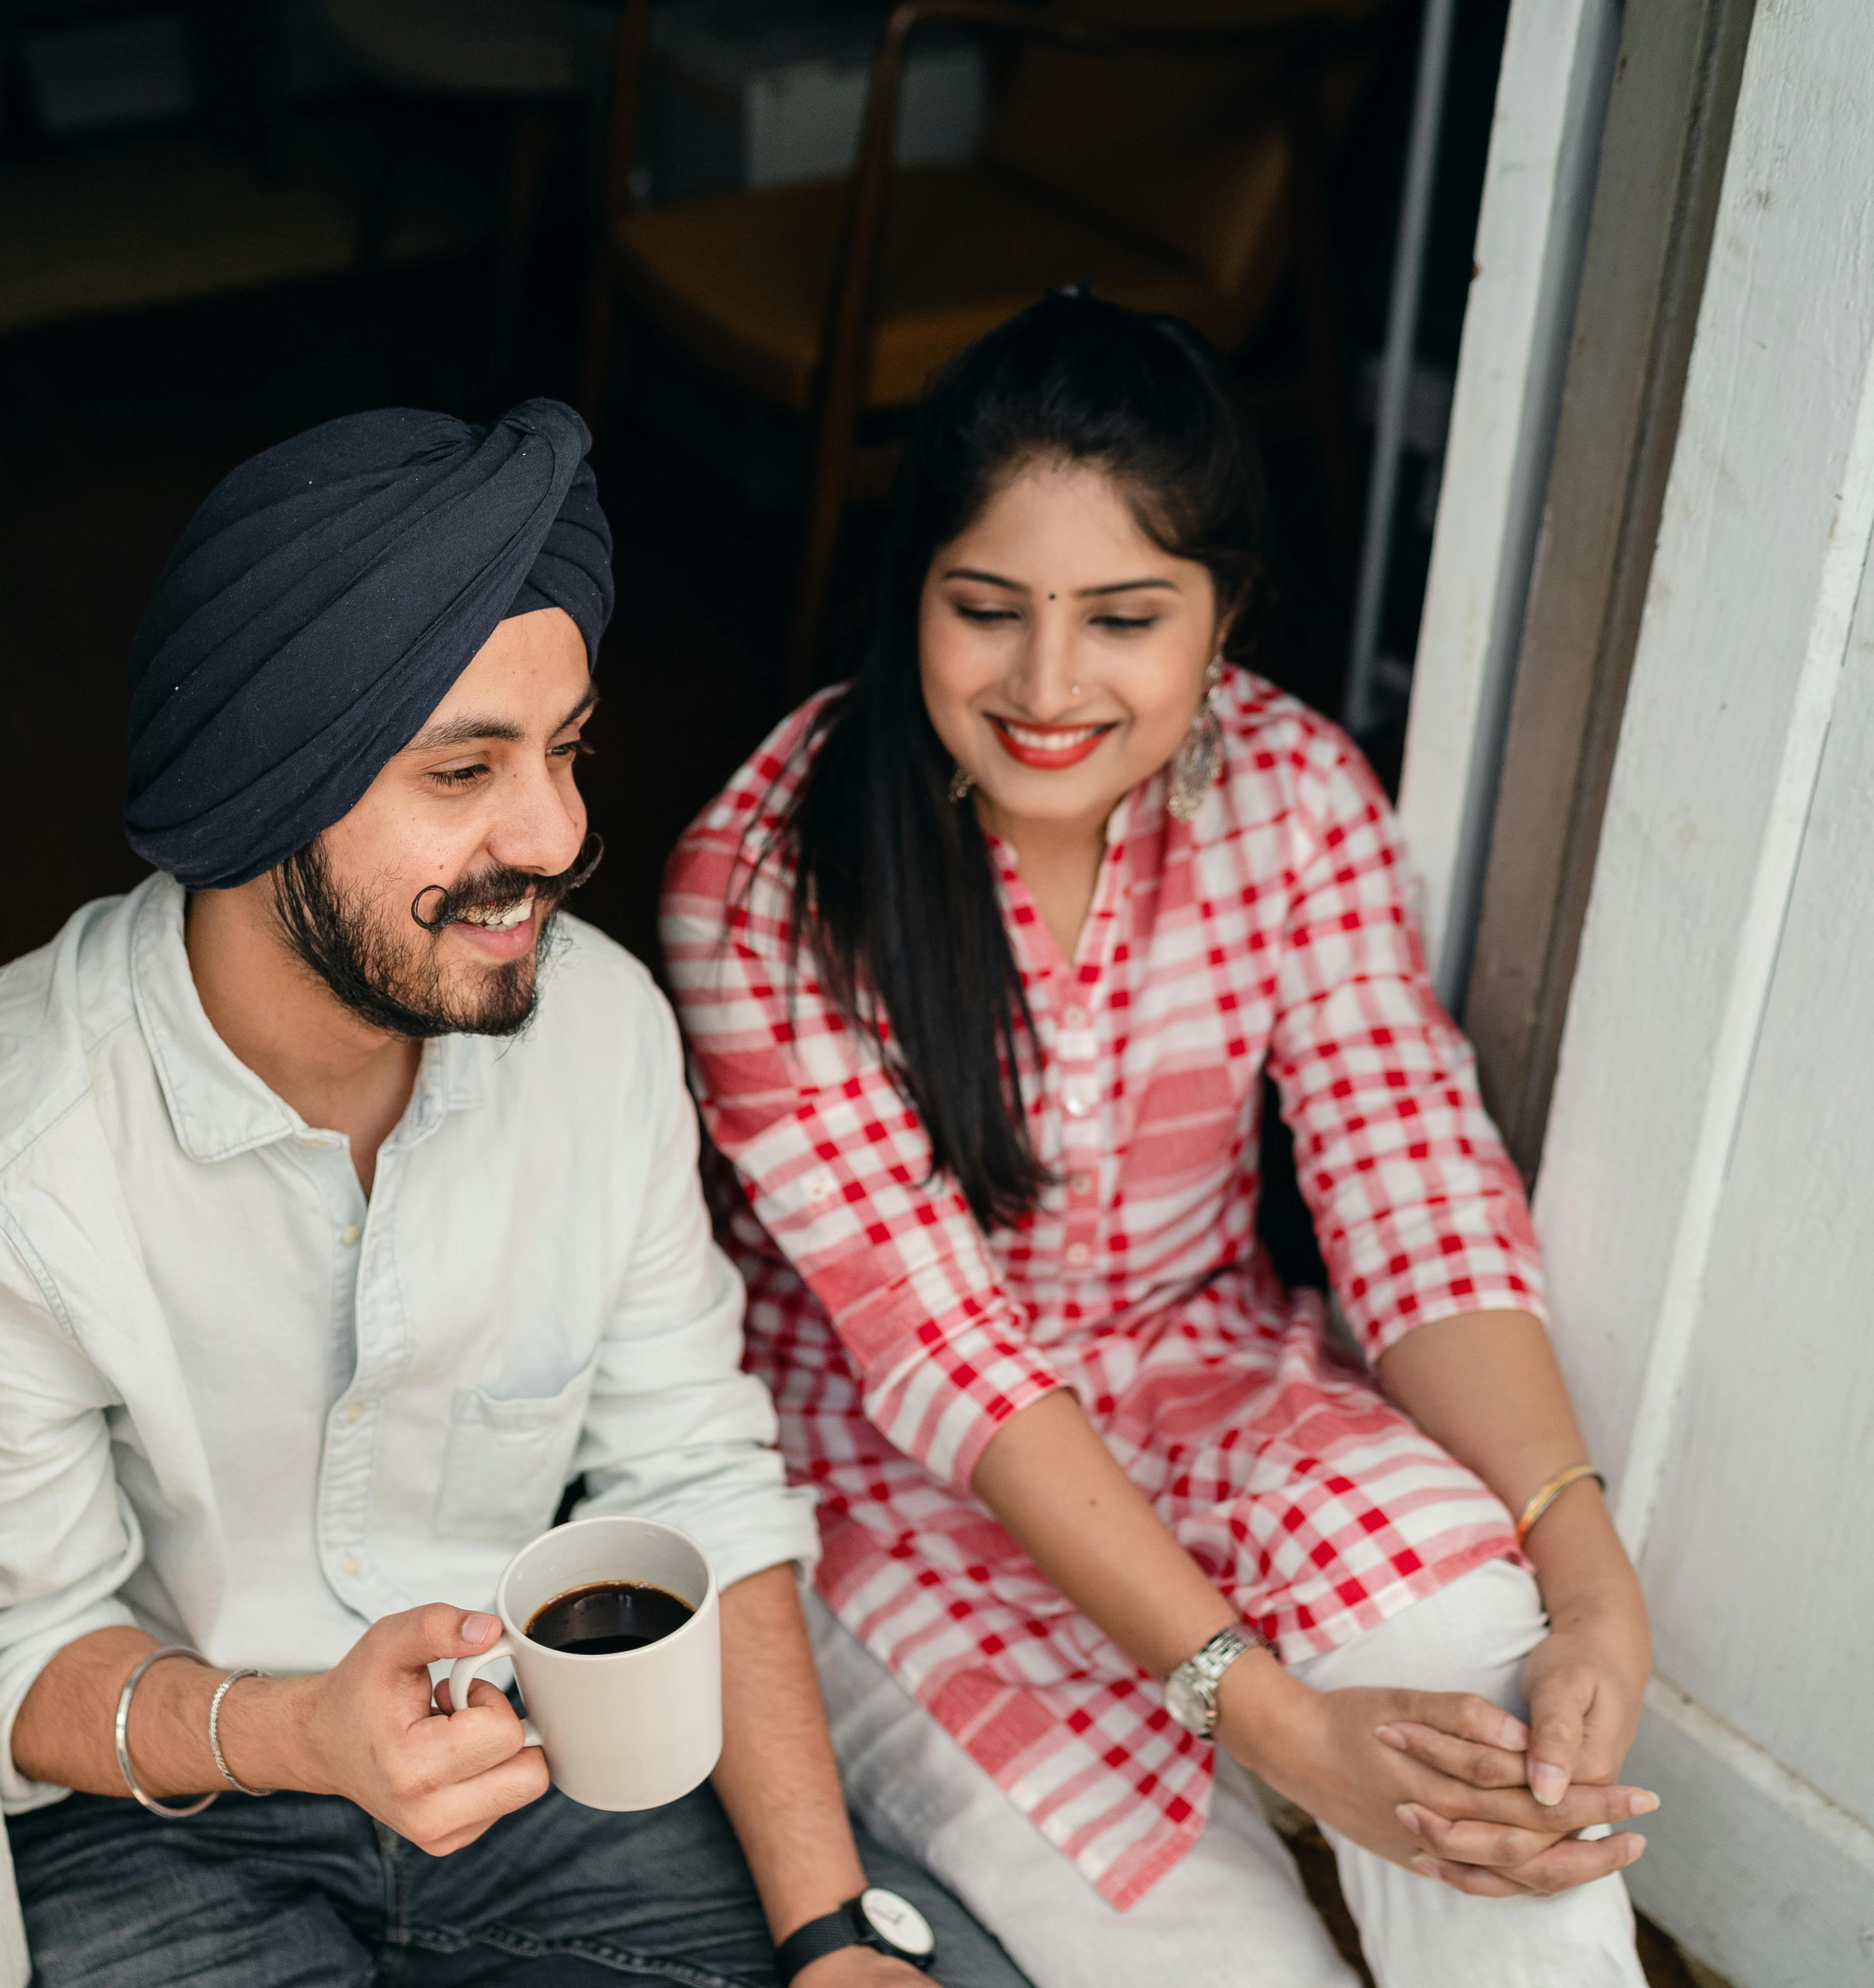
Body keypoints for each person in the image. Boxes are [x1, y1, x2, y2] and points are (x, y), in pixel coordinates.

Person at [0, 401, 1025, 1988]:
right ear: (264, 793)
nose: (557, 835)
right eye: (465, 768)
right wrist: (306, 1734)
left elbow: (693, 1471)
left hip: (536, 1767)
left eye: (563, 750)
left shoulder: (595, 1026)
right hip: (167, 1816)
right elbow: (16, 1658)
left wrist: (829, 1937)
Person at [661, 293, 1658, 1988]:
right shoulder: (764, 876)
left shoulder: (1297, 790)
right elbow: (951, 1365)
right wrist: (1276, 1725)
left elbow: (1410, 1184)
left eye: (1125, 619)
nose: (1047, 687)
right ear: (913, 592)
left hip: (1210, 1385)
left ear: (1226, 618)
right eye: (987, 610)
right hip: (888, 1487)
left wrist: (1591, 1585)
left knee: (1511, 1779)